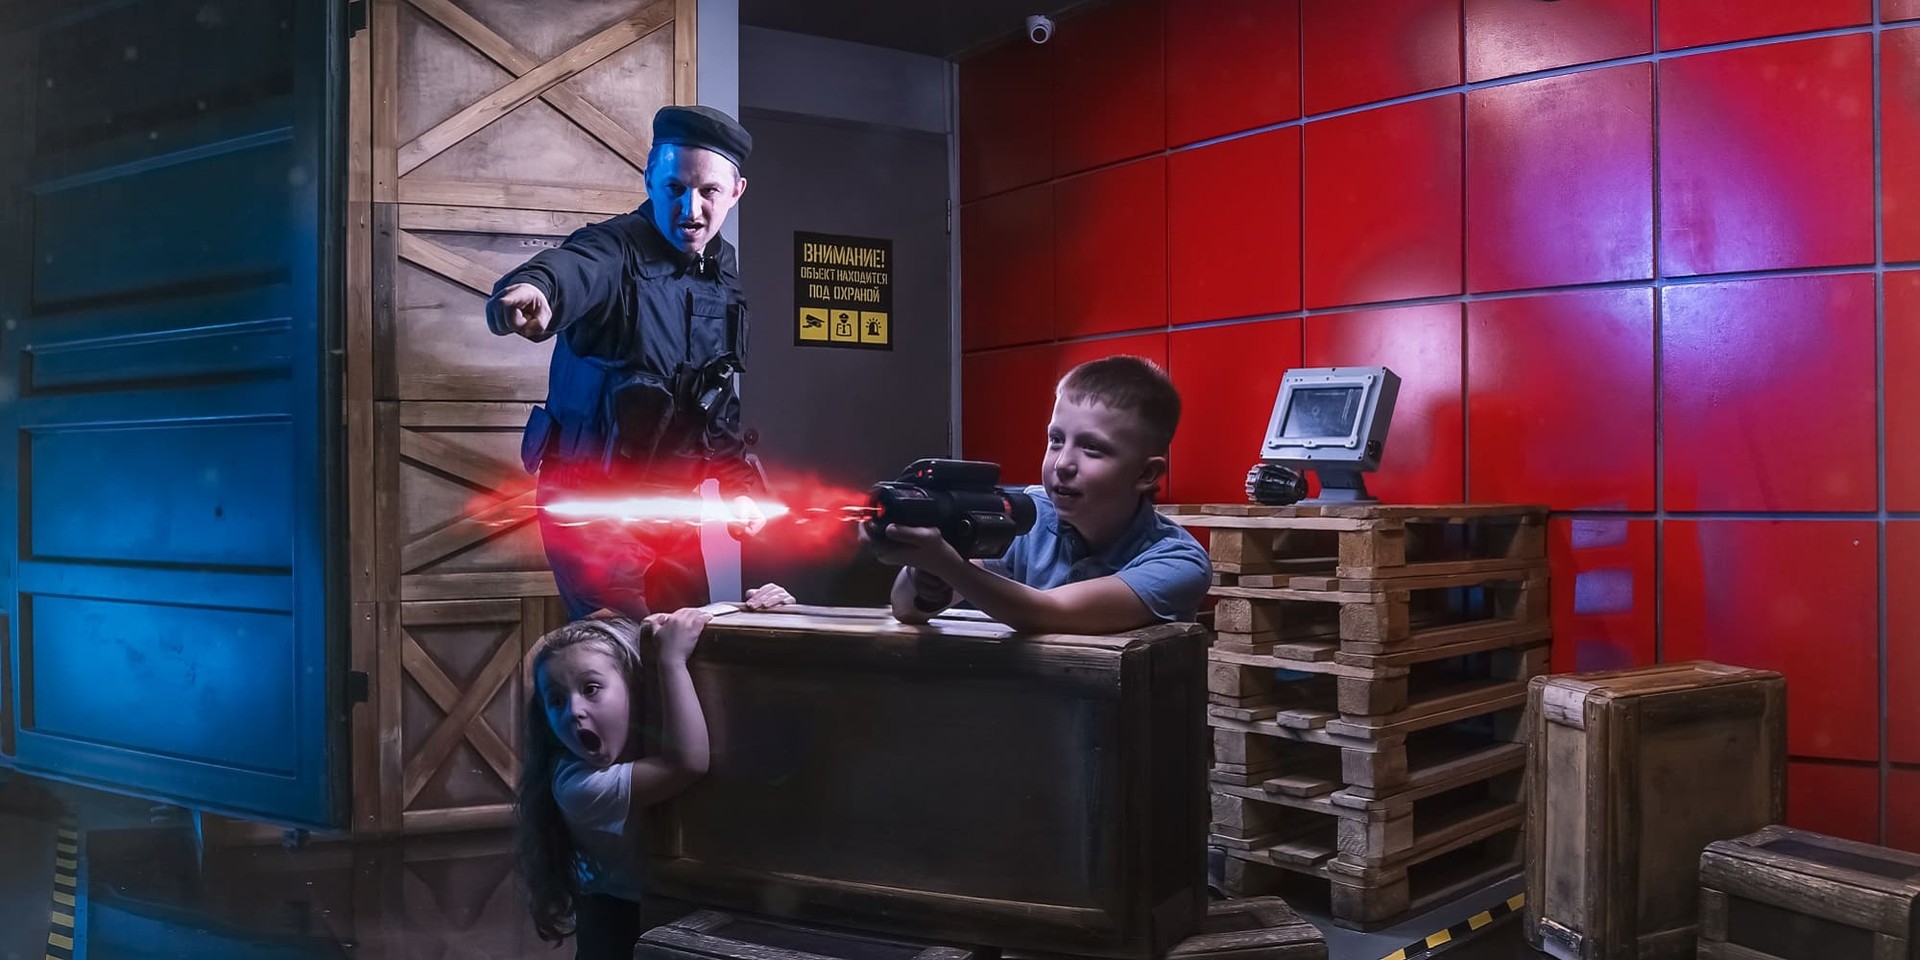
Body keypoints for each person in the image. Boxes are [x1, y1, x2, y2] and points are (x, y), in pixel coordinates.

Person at [487, 104, 765, 620]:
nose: (690, 209)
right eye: (674, 187)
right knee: (621, 647)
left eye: (708, 191)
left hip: (672, 510)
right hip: (593, 509)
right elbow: (572, 268)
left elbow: (716, 395)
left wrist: (738, 488)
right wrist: (536, 289)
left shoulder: (721, 270)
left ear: (735, 192)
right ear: (650, 178)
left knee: (685, 642)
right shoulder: (613, 247)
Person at [514, 584, 794, 959]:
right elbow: (685, 764)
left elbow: (692, 627)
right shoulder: (577, 785)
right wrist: (671, 661)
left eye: (591, 688)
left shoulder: (640, 737)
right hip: (615, 926)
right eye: (557, 700)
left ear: (635, 684)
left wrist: (759, 608)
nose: (574, 711)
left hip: (664, 913)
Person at [865, 356, 1211, 634]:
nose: (1062, 463)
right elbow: (906, 609)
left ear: (1146, 474)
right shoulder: (1028, 514)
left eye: (1092, 448)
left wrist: (945, 563)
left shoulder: (1178, 563)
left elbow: (1050, 612)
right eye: (1056, 440)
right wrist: (925, 576)